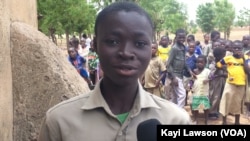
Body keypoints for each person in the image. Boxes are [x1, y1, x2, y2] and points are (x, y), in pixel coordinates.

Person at [38, 2, 191, 141]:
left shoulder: (175, 120)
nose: (126, 52)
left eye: (139, 43)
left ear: (150, 48)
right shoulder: (59, 122)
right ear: (96, 45)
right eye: (113, 42)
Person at [217, 40, 247, 125]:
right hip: (230, 84)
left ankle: (237, 122)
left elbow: (248, 71)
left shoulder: (246, 58)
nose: (237, 49)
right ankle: (224, 121)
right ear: (232, 49)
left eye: (239, 48)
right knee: (226, 101)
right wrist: (226, 70)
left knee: (238, 103)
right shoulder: (228, 58)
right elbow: (218, 64)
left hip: (241, 84)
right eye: (235, 48)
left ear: (242, 49)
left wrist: (244, 59)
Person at [166, 28, 195, 108]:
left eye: (183, 37)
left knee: (175, 97)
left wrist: (189, 71)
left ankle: (173, 114)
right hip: (175, 75)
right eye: (180, 37)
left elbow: (184, 62)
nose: (182, 39)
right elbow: (168, 64)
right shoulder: (174, 49)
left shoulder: (183, 47)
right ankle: (180, 113)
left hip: (180, 75)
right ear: (176, 37)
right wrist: (173, 77)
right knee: (182, 95)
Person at [190, 55, 211, 125]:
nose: (200, 63)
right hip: (196, 91)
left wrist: (208, 80)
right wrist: (190, 86)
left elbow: (213, 77)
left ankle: (206, 120)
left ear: (205, 63)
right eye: (198, 62)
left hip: (204, 92)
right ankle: (196, 119)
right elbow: (191, 80)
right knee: (196, 107)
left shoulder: (207, 71)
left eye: (202, 62)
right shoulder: (194, 71)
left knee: (206, 107)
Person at [208, 47, 227, 119]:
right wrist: (219, 68)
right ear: (219, 56)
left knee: (219, 96)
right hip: (214, 82)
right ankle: (211, 112)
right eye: (223, 55)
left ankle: (216, 110)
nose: (224, 56)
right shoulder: (213, 63)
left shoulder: (222, 62)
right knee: (214, 96)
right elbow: (211, 75)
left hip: (221, 81)